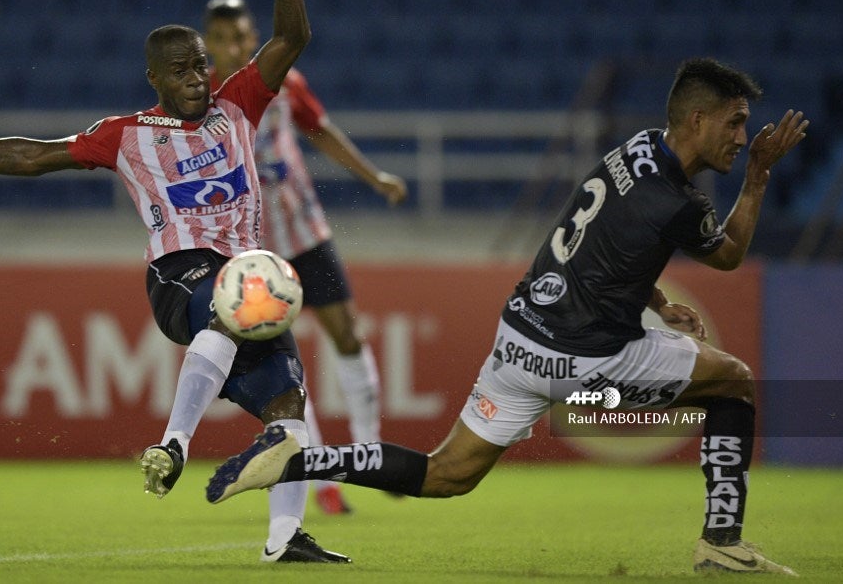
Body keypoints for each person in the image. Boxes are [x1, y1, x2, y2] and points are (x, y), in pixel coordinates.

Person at [202, 58, 807, 575]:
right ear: (697, 120)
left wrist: (653, 301)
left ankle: (300, 459)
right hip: (586, 358)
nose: (740, 136)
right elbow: (727, 255)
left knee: (446, 473)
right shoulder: (676, 200)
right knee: (733, 382)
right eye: (735, 123)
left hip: (520, 339)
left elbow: (606, 238)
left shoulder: (639, 149)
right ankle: (721, 544)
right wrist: (757, 177)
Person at [0, 0, 349, 565]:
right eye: (181, 71)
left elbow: (293, 34)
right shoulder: (126, 134)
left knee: (290, 401)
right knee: (230, 298)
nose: (196, 78)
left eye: (200, 66)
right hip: (178, 275)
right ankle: (176, 444)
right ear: (154, 81)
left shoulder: (239, 103)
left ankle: (284, 540)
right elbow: (29, 157)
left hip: (242, 276)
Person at [202, 0, 408, 514]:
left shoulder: (283, 81)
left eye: (242, 36)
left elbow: (321, 131)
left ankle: (369, 452)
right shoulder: (200, 97)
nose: (235, 45)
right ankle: (324, 483)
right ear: (208, 43)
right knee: (285, 364)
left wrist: (374, 176)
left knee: (348, 335)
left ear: (252, 38)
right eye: (223, 38)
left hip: (304, 228)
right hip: (250, 249)